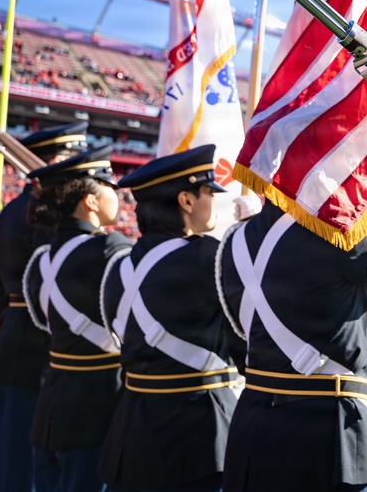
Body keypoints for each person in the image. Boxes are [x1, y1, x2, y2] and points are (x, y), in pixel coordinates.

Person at [215, 191, 367, 492]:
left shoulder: (234, 241)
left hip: (252, 426)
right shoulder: (343, 231)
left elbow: (238, 345)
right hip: (328, 434)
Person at [98, 144, 244, 492]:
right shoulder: (207, 256)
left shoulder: (119, 266)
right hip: (198, 432)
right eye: (208, 191)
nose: (213, 200)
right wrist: (250, 230)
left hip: (132, 428)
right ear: (187, 201)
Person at [0, 121, 89, 492]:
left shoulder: (14, 211)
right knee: (25, 470)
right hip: (37, 350)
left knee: (4, 463)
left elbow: (0, 289)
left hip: (10, 338)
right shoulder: (49, 218)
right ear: (59, 162)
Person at [22, 145, 131, 492]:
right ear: (91, 200)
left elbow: (43, 322)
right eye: (109, 184)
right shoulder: (109, 249)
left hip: (51, 406)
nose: (117, 192)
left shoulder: (42, 256)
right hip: (97, 409)